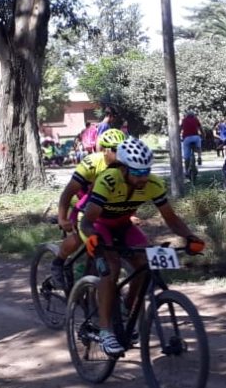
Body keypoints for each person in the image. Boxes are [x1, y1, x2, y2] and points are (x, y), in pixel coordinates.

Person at [79, 137, 205, 356]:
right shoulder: (108, 180)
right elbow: (87, 222)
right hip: (100, 226)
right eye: (137, 173)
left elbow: (171, 219)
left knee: (144, 263)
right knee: (112, 266)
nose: (143, 178)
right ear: (124, 169)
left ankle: (127, 310)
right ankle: (106, 330)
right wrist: (92, 238)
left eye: (146, 171)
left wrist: (189, 236)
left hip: (124, 225)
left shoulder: (154, 184)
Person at [50, 128, 126, 290]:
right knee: (79, 235)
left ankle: (87, 280)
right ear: (105, 150)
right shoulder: (92, 163)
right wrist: (62, 218)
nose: (121, 153)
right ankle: (59, 262)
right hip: (85, 198)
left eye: (123, 148)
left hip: (105, 203)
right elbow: (68, 192)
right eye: (116, 149)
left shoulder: (125, 166)